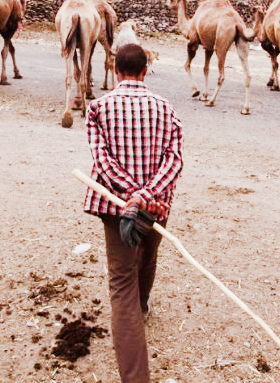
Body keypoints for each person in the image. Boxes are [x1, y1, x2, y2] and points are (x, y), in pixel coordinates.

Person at [83, 43, 184, 382]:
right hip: (157, 205)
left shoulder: (98, 108)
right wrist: (148, 194)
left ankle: (136, 376)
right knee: (149, 256)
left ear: (116, 71)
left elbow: (102, 161)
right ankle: (142, 306)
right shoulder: (166, 108)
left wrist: (131, 195)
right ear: (145, 71)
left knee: (121, 281)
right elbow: (175, 159)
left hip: (116, 205)